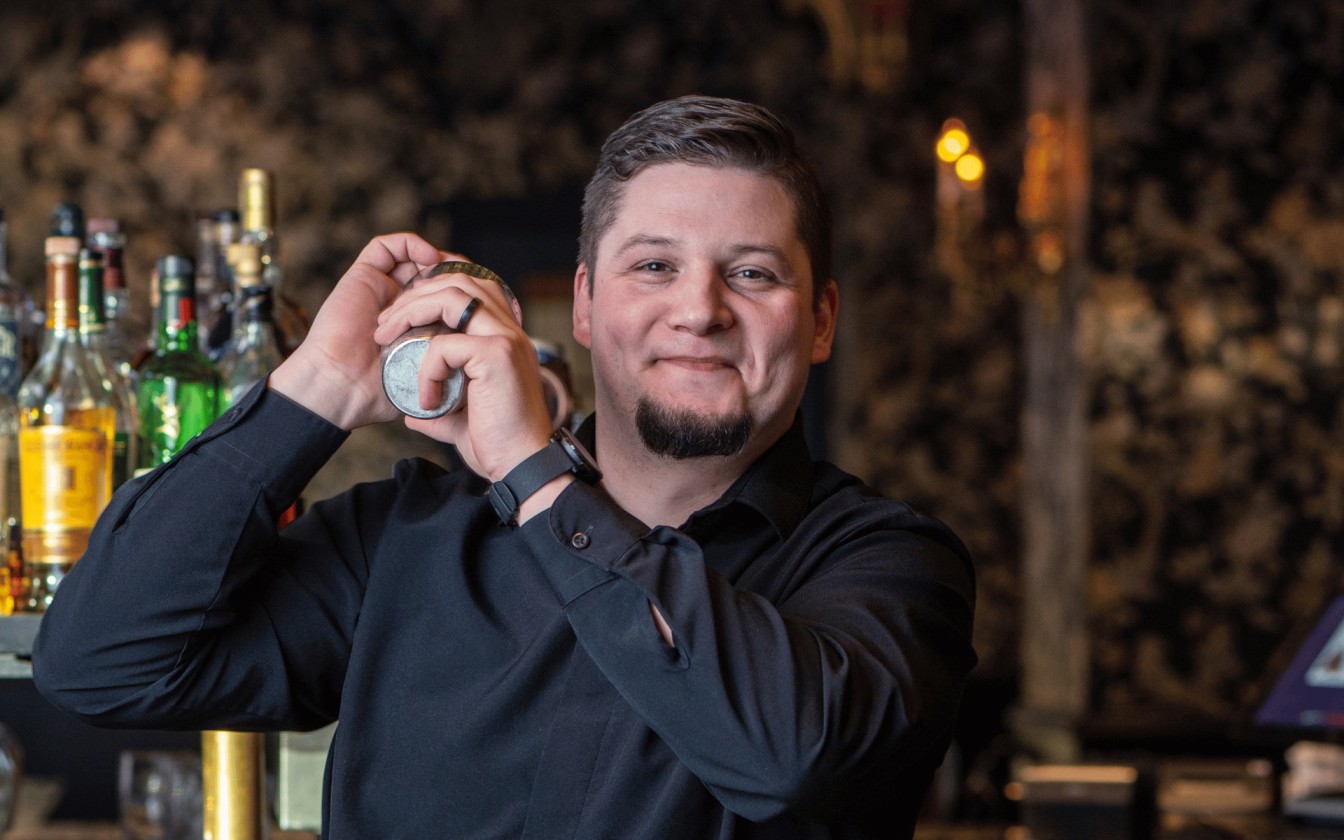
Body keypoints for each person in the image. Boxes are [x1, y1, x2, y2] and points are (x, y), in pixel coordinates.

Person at [33, 95, 976, 839]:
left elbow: (793, 760)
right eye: (654, 266)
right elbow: (99, 661)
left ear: (821, 321)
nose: (700, 309)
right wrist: (316, 387)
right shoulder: (402, 541)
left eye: (753, 273)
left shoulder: (891, 568)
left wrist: (536, 475)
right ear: (585, 304)